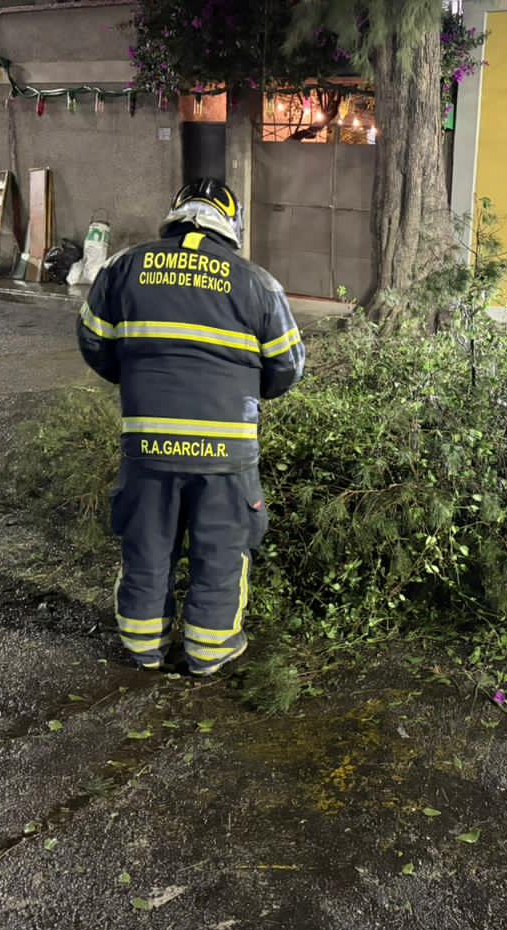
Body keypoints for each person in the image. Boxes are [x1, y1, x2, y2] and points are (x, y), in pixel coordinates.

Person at [77, 179, 304, 675]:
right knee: (222, 550)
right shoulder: (256, 282)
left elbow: (94, 340)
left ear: (176, 212)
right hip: (227, 453)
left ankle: (143, 648)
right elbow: (288, 365)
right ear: (232, 222)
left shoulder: (124, 267)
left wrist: (136, 377)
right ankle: (208, 653)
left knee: (147, 544)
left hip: (148, 445)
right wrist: (248, 391)